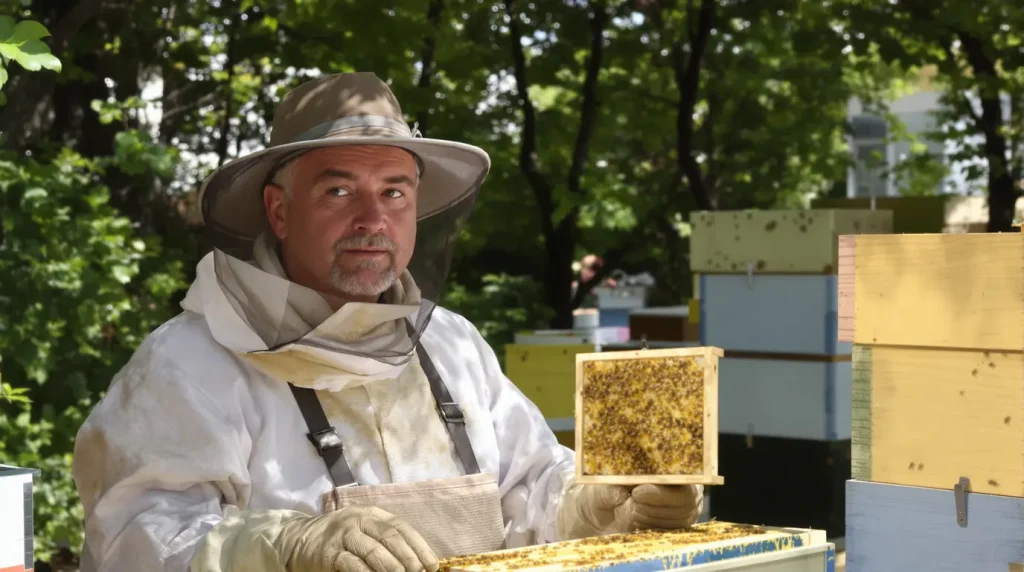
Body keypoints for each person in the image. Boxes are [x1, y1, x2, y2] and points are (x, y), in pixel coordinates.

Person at [72, 72, 703, 572]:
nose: (373, 220)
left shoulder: (452, 344)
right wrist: (283, 549)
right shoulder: (190, 364)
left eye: (394, 192)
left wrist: (603, 504)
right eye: (339, 191)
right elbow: (134, 543)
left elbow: (530, 487)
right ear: (279, 211)